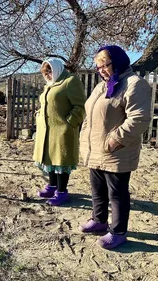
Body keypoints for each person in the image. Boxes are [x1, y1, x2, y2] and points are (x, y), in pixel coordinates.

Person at [78, 45, 152, 249]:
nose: (101, 69)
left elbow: (139, 118)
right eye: (98, 66)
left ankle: (118, 231)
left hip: (117, 151)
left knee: (117, 193)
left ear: (117, 62)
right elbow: (89, 114)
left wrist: (114, 141)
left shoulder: (134, 84)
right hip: (95, 149)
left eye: (105, 64)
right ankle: (99, 221)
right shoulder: (102, 86)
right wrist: (85, 136)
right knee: (97, 189)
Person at [33, 58, 86, 206]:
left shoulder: (70, 81)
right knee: (50, 159)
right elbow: (45, 104)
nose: (48, 75)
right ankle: (52, 186)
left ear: (56, 69)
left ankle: (62, 192)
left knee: (62, 161)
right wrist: (38, 115)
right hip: (46, 130)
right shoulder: (50, 85)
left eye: (49, 71)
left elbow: (80, 105)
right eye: (45, 72)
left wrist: (69, 123)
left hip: (62, 130)